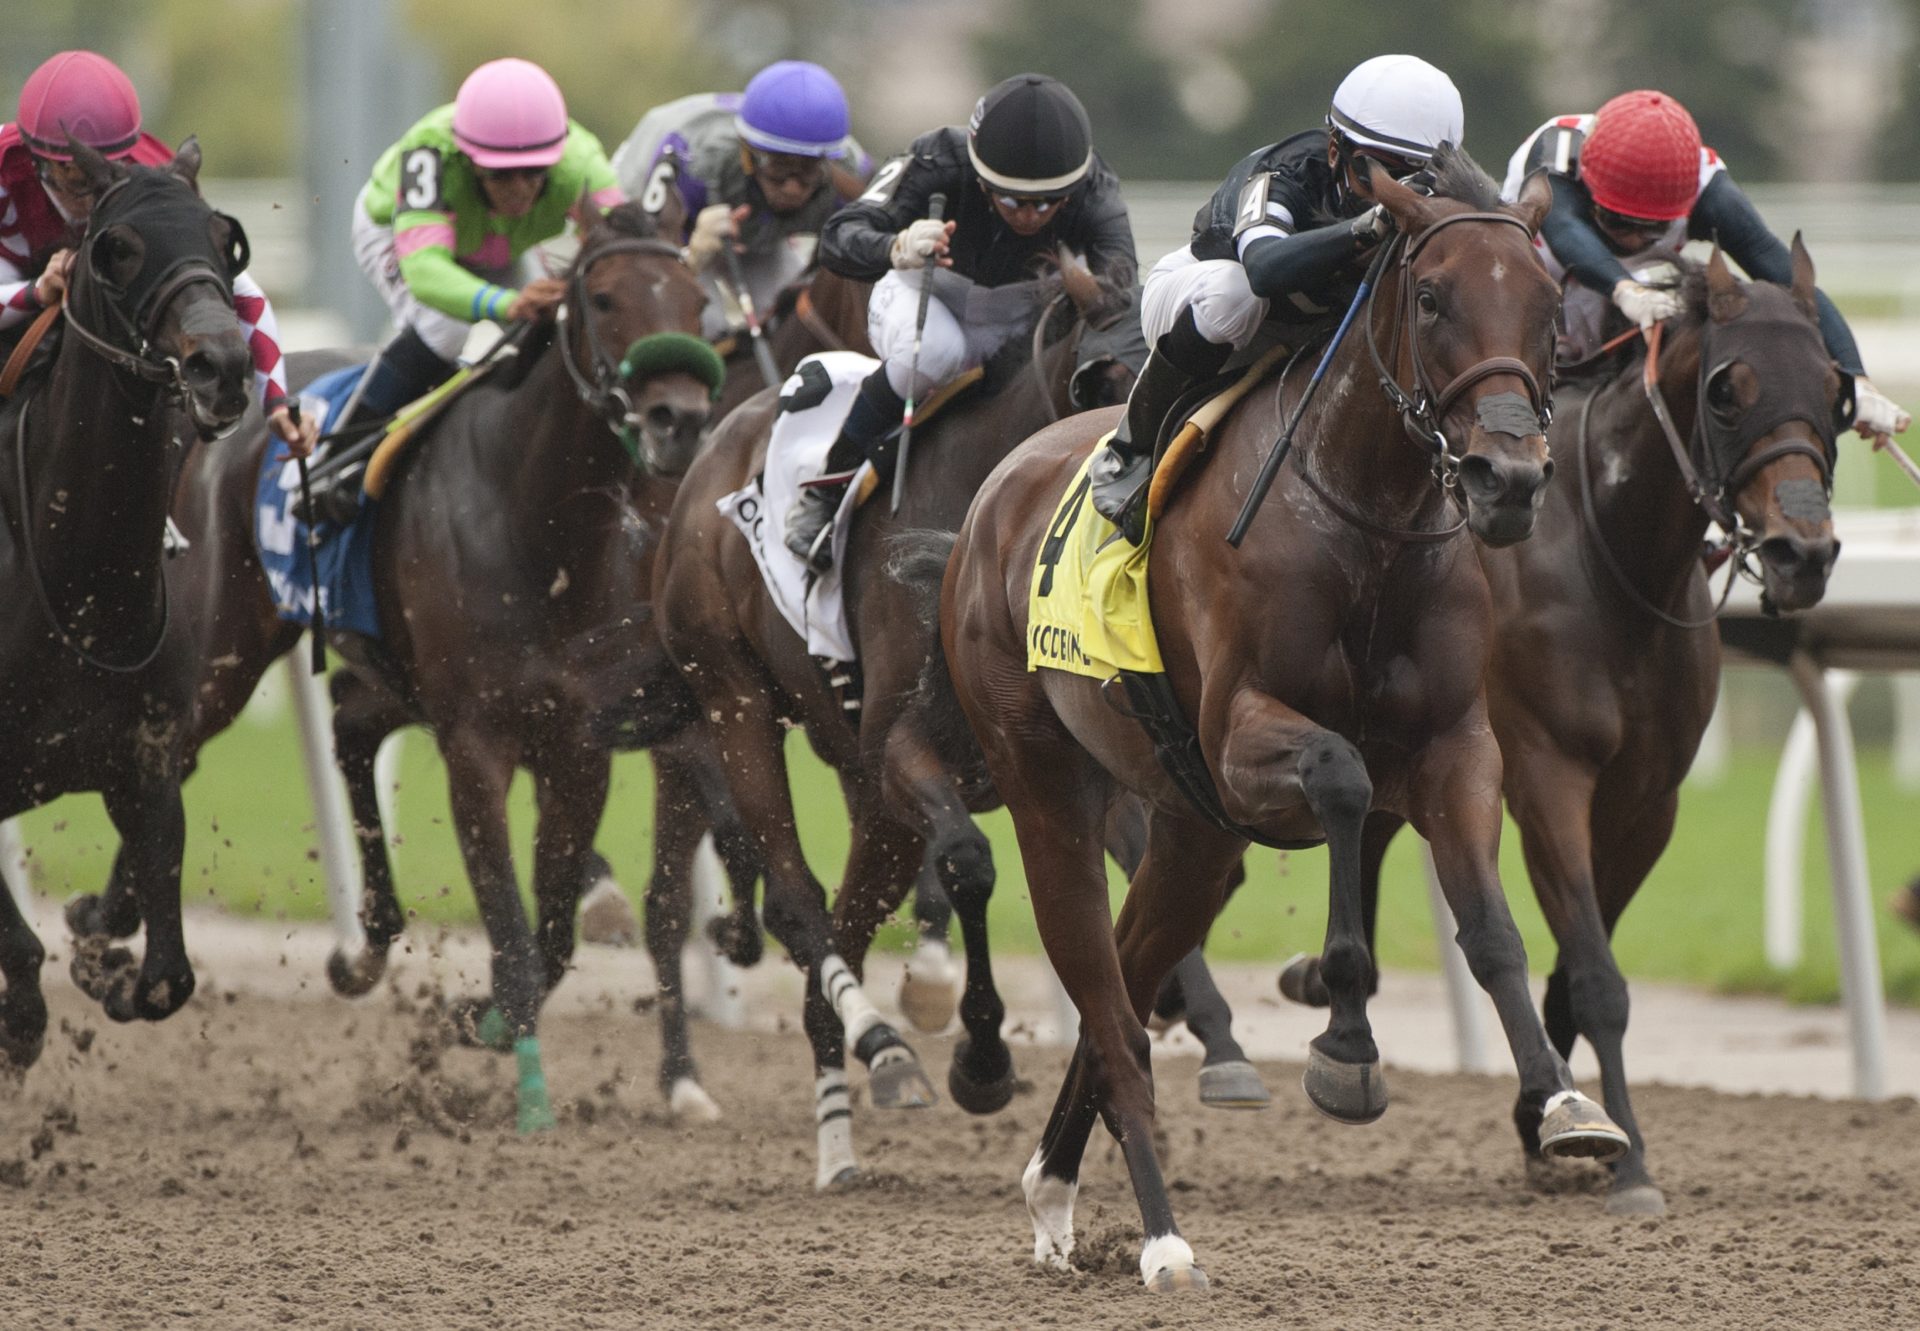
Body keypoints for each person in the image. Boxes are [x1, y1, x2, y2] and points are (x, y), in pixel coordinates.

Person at [1088, 54, 1463, 539]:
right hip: (1201, 300)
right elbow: (1264, 271)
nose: (1393, 195)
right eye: (1381, 175)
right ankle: (1133, 445)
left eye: (1416, 181)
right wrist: (1365, 229)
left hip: (1310, 332)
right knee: (1234, 294)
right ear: (1335, 151)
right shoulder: (1287, 171)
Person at [787, 72, 1137, 570]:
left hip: (1024, 315)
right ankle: (827, 488)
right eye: (1011, 200)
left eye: (1047, 203)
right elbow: (839, 238)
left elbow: (1121, 295)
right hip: (925, 293)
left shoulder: (1096, 189)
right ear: (978, 175)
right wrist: (895, 246)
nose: (1030, 216)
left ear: (1073, 187)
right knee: (933, 355)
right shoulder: (935, 160)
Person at [1501, 89, 1909, 444]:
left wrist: (1857, 380)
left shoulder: (1710, 191)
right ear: (1587, 186)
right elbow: (1566, 230)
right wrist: (1625, 289)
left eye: (1653, 230)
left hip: (1620, 315)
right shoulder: (1556, 155)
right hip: (1527, 298)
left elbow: (1784, 276)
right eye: (1618, 222)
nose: (1632, 241)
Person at [1, 50, 311, 455]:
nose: (94, 186)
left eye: (109, 165)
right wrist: (37, 292)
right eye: (75, 173)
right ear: (36, 159)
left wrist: (276, 402)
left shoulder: (157, 181)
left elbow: (241, 295)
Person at [341, 57, 625, 439]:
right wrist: (506, 304)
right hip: (397, 234)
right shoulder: (430, 152)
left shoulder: (582, 162)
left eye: (535, 172)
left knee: (551, 335)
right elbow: (425, 270)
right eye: (501, 173)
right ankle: (348, 443)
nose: (519, 188)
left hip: (499, 247)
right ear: (469, 159)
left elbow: (624, 244)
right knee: (445, 330)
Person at [611, 60, 869, 341]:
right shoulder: (692, 163)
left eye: (808, 169)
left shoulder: (852, 173)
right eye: (778, 166)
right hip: (662, 218)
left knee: (788, 322)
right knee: (699, 320)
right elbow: (651, 275)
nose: (793, 187)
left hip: (760, 238)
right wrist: (694, 255)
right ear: (747, 154)